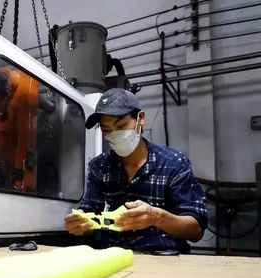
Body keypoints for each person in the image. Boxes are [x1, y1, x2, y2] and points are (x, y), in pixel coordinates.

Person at [64, 88, 207, 252]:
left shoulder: (173, 163)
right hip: (111, 257)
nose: (115, 134)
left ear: (141, 118)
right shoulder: (100, 167)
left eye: (121, 125)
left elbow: (195, 230)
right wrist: (80, 222)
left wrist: (156, 217)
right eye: (106, 130)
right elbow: (90, 217)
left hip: (162, 257)